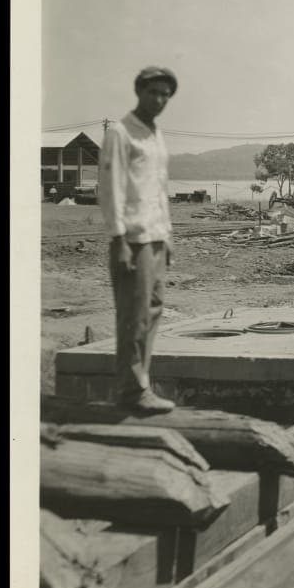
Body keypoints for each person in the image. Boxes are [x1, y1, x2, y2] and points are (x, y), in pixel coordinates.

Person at [98, 66, 179, 414]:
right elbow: (110, 188)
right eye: (153, 92)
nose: (159, 100)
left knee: (153, 310)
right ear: (139, 92)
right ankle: (131, 392)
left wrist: (169, 233)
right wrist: (119, 239)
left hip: (156, 234)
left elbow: (158, 189)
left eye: (165, 94)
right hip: (133, 237)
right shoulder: (121, 133)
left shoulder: (155, 134)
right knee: (134, 316)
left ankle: (139, 383)